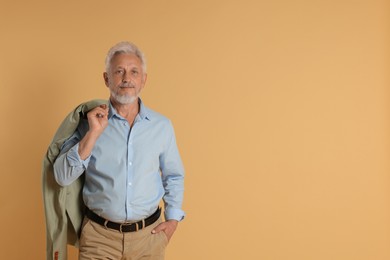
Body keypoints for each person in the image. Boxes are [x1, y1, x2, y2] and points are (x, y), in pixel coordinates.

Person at [53, 41, 185, 260]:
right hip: (99, 238)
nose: (126, 78)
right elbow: (61, 176)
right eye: (119, 71)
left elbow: (174, 176)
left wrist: (172, 220)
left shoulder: (162, 126)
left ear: (144, 79)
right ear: (106, 78)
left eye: (134, 72)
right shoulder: (87, 123)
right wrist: (93, 134)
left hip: (148, 239)